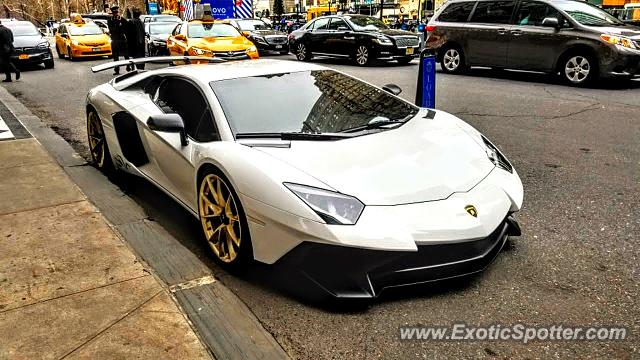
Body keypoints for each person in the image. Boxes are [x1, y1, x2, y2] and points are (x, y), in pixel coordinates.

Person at [107, 5, 130, 75]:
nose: (115, 14)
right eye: (114, 13)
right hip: (114, 40)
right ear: (112, 13)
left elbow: (126, 29)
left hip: (122, 39)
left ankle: (129, 67)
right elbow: (111, 29)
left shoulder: (123, 20)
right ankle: (117, 69)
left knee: (126, 55)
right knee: (115, 56)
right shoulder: (110, 20)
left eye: (116, 12)